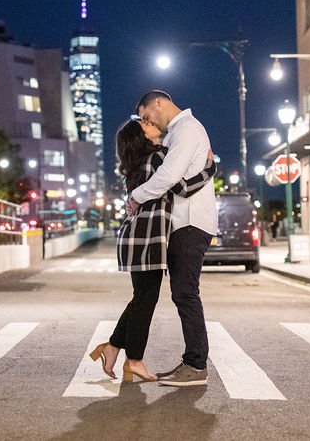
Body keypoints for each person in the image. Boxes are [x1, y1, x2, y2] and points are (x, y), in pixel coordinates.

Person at [91, 119, 215, 383]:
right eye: (144, 124)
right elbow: (182, 186)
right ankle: (134, 360)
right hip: (148, 238)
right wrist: (210, 167)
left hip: (135, 237)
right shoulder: (159, 158)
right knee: (145, 300)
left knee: (141, 298)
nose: (149, 123)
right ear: (141, 136)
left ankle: (113, 347)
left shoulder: (136, 165)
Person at [128, 90, 217, 387]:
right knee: (183, 293)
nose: (147, 122)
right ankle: (191, 362)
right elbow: (179, 181)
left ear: (158, 103)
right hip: (183, 223)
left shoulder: (187, 129)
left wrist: (136, 196)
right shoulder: (177, 134)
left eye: (146, 116)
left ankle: (196, 365)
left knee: (185, 293)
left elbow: (169, 178)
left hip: (191, 221)